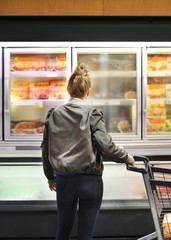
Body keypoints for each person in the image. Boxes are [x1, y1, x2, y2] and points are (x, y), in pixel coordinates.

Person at [41, 62, 135, 240]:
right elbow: (106, 147)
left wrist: (50, 176)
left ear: (68, 90)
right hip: (89, 182)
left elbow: (46, 149)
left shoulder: (53, 114)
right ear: (88, 91)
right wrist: (126, 158)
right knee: (85, 235)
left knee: (63, 232)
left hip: (64, 181)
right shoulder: (92, 113)